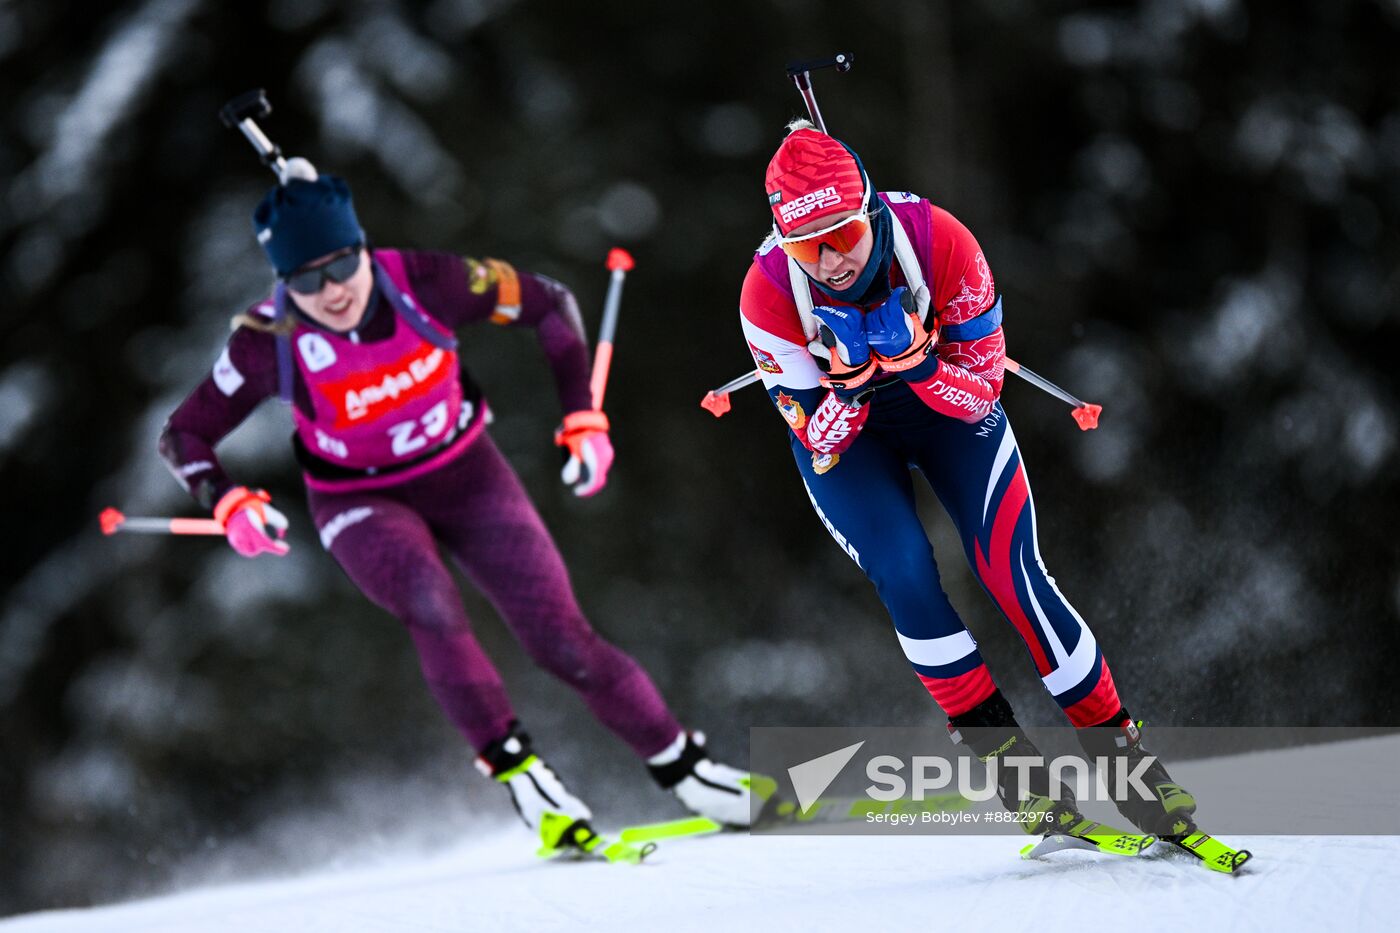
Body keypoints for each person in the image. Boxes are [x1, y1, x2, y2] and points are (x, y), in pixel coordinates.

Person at [159, 161, 750, 853]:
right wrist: (226, 500)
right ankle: (524, 778)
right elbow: (184, 433)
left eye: (342, 264)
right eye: (306, 278)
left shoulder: (428, 281)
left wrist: (581, 417)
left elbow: (549, 303)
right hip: (360, 498)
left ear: (363, 248)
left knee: (562, 638)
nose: (332, 291)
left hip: (469, 475)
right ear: (283, 281)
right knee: (429, 600)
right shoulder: (267, 343)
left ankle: (690, 770)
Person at [738, 122, 1196, 838]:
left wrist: (919, 365)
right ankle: (1015, 772)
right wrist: (852, 388)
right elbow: (815, 438)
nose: (828, 261)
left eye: (843, 236)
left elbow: (983, 392)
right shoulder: (768, 293)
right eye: (806, 244)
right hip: (850, 443)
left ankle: (1128, 764)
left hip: (946, 407)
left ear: (872, 212)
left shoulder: (940, 241)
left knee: (1014, 574)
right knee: (906, 573)